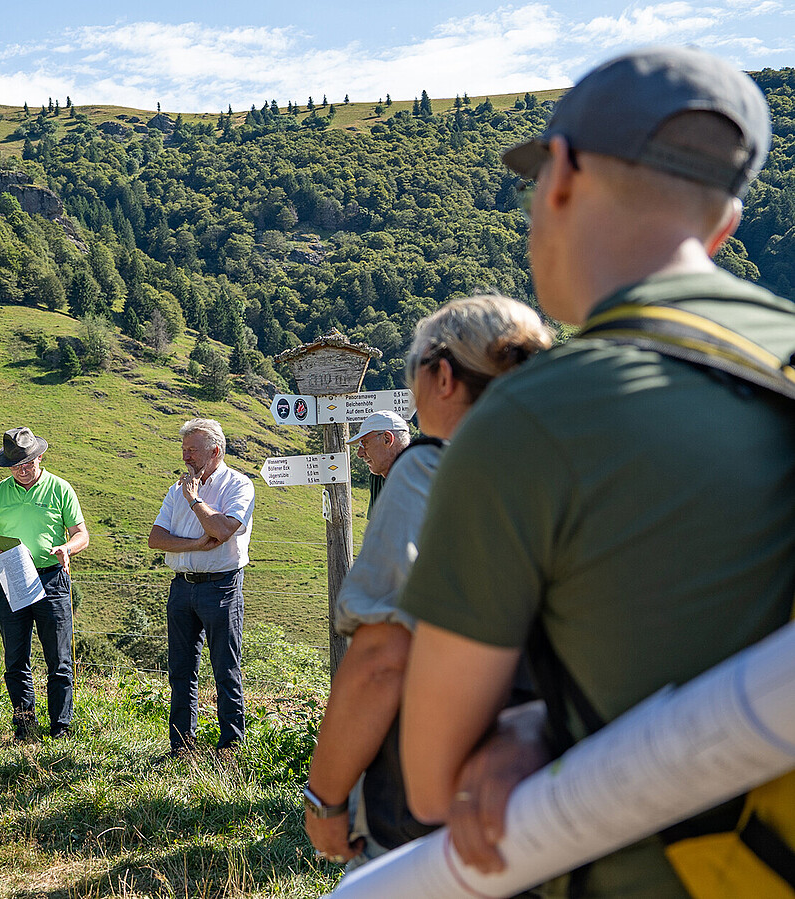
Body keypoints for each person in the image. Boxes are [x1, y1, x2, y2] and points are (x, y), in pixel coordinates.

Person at [398, 47, 795, 899]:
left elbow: (436, 782)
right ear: (724, 226)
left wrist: (531, 726)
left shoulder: (536, 421)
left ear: (565, 172)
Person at [303, 297, 550, 866]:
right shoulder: (559, 472)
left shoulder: (428, 469)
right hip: (546, 794)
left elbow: (383, 660)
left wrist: (325, 800)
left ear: (441, 376)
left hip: (425, 814)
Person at [147, 418, 254, 756]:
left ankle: (231, 745)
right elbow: (156, 539)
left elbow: (222, 531)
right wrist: (194, 544)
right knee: (180, 670)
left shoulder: (239, 485)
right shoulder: (175, 489)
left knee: (225, 667)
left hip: (221, 586)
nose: (186, 457)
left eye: (192, 450)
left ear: (215, 451)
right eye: (183, 450)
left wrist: (195, 501)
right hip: (182, 586)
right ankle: (181, 745)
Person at [0, 427, 88, 741]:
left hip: (52, 578)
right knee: (15, 659)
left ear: (40, 457)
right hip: (11, 575)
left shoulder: (60, 488)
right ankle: (25, 729)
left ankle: (61, 728)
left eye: (27, 464)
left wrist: (68, 548)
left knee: (59, 659)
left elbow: (81, 533)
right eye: (15, 466)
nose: (21, 471)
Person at [344, 411, 410, 479]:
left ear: (387, 439)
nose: (359, 454)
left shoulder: (414, 483)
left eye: (365, 443)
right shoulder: (410, 479)